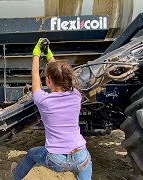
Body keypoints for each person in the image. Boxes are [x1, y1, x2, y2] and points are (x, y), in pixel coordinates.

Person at [11, 38, 92, 180]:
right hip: (80, 155)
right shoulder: (76, 95)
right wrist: (49, 54)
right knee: (86, 161)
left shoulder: (43, 100)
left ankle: (16, 175)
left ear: (48, 81)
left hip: (56, 160)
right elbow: (58, 71)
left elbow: (35, 76)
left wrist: (36, 53)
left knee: (31, 154)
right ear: (67, 77)